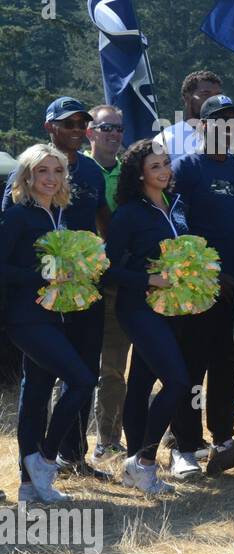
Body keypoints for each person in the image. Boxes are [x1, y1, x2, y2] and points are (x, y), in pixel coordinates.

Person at [2, 97, 110, 480]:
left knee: (77, 376)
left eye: (83, 123)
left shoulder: (87, 181)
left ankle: (61, 464)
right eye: (69, 123)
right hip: (30, 311)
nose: (78, 129)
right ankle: (38, 463)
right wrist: (41, 279)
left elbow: (103, 225)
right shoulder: (19, 206)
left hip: (75, 303)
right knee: (43, 386)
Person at [169, 93, 234, 478]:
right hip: (199, 290)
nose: (226, 126)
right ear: (201, 126)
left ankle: (222, 440)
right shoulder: (186, 168)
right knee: (191, 371)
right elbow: (177, 226)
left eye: (233, 120)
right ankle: (184, 447)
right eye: (218, 119)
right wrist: (210, 273)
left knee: (226, 369)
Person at [103, 139, 190, 494]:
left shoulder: (176, 206)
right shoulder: (128, 214)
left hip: (170, 309)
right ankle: (145, 462)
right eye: (155, 166)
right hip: (137, 308)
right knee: (178, 383)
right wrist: (148, 279)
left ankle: (136, 467)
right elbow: (105, 271)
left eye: (166, 163)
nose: (164, 171)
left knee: (140, 382)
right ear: (139, 174)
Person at [86, 104, 128, 463]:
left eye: (118, 129)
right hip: (79, 283)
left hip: (118, 283)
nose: (113, 135)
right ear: (90, 132)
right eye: (106, 129)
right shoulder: (76, 171)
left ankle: (109, 440)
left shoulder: (129, 173)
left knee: (113, 366)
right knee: (72, 366)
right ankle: (64, 449)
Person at [157, 70, 223, 160]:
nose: (213, 100)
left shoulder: (224, 136)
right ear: (187, 97)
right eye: (206, 94)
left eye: (218, 95)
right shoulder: (166, 139)